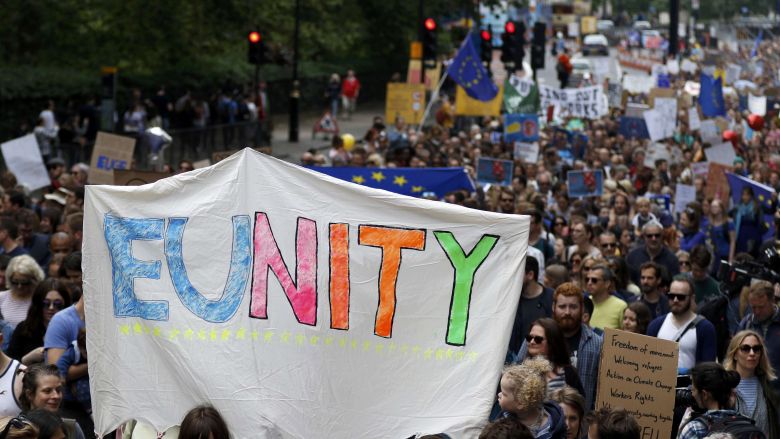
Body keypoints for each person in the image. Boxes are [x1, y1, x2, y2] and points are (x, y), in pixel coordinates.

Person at [547, 282, 602, 409]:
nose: (567, 312)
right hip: (542, 420)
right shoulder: (539, 337)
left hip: (580, 420)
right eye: (562, 306)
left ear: (582, 309)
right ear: (553, 307)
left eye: (573, 307)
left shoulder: (597, 343)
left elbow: (601, 388)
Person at [647, 275, 717, 371]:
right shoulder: (656, 325)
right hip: (659, 383)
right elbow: (647, 360)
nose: (675, 300)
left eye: (681, 297)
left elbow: (708, 368)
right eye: (671, 296)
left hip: (690, 384)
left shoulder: (705, 328)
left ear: (692, 298)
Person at [677, 363, 757, 439]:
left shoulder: (694, 429)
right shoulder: (747, 424)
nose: (692, 394)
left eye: (693, 390)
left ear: (705, 395)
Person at [722, 330, 779, 438]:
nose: (752, 353)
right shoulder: (723, 386)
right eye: (745, 348)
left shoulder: (769, 386)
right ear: (734, 355)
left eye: (756, 349)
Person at [515, 318, 585, 398]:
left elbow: (579, 403)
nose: (532, 342)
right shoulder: (520, 370)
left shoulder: (568, 372)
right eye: (529, 338)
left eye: (538, 339)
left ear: (552, 342)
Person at [497, 359, 567, 439]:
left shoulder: (552, 426)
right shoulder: (503, 418)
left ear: (520, 403)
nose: (499, 395)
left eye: (504, 394)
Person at [7, 279, 71, 365]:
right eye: (46, 303)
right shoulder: (24, 328)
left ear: (65, 305)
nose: (51, 308)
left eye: (57, 304)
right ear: (38, 304)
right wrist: (27, 358)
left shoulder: (73, 328)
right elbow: (9, 364)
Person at [19, 365, 84, 439]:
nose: (56, 396)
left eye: (58, 390)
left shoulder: (71, 428)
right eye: (47, 391)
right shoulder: (16, 430)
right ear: (29, 394)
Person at [737, 280, 780, 386]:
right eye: (753, 307)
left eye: (761, 307)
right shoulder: (747, 324)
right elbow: (733, 354)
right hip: (751, 387)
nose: (756, 312)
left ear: (772, 301)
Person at [509, 257, 553, 354]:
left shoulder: (551, 298)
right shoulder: (511, 300)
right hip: (516, 363)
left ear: (530, 275)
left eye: (517, 273)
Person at [626, 220, 680, 285]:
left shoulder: (672, 259)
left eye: (657, 235)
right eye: (649, 236)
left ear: (662, 236)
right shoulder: (632, 257)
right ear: (643, 237)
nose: (653, 239)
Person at [0, 255, 45, 328]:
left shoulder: (39, 300)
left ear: (33, 280)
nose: (19, 286)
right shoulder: (1, 298)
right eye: (15, 282)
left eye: (24, 282)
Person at [586, 265, 626, 331]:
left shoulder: (621, 306)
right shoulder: (584, 303)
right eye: (587, 279)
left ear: (607, 283)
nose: (589, 283)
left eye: (594, 280)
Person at [733, 186, 767, 256]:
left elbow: (760, 224)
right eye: (743, 194)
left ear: (751, 196)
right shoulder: (737, 208)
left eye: (747, 195)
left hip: (753, 239)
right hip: (740, 238)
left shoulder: (757, 207)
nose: (744, 197)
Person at [707, 199, 736, 269]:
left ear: (721, 208)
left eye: (715, 206)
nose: (713, 209)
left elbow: (733, 241)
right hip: (713, 254)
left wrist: (730, 259)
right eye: (712, 207)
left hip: (725, 254)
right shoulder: (710, 223)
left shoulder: (729, 223)